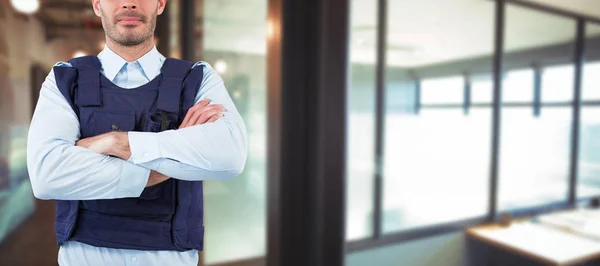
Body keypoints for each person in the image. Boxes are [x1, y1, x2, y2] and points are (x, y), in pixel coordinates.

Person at [26, 0, 247, 265]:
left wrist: (115, 142)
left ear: (161, 4)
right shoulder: (65, 79)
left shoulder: (198, 78)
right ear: (97, 5)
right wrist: (176, 153)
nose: (129, 3)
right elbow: (46, 176)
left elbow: (231, 155)